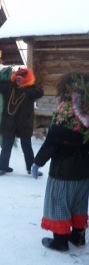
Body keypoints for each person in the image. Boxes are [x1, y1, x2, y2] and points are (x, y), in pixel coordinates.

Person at [31, 72, 89, 252]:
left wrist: (37, 162)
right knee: (79, 203)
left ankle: (60, 242)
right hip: (84, 169)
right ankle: (78, 238)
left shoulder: (65, 109)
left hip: (63, 169)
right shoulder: (87, 109)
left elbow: (53, 140)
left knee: (58, 203)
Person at [0, 67, 44, 177]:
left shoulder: (30, 90)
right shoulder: (9, 87)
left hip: (24, 123)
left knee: (27, 146)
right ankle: (2, 168)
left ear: (27, 78)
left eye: (22, 77)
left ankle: (31, 168)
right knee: (6, 146)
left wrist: (27, 87)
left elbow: (40, 92)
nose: (19, 78)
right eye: (18, 76)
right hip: (9, 122)